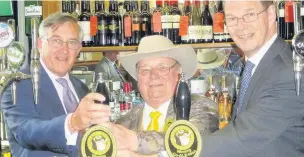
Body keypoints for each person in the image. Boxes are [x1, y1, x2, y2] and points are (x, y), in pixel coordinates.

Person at [200, 1, 304, 156]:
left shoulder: (288, 73)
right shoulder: (256, 65)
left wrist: (175, 148)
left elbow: (241, 138)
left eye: (249, 15)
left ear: (270, 14)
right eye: (232, 18)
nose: (241, 26)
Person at [0, 12, 110, 157]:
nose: (64, 50)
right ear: (40, 44)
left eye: (71, 42)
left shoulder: (81, 88)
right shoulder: (19, 84)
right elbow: (26, 131)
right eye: (56, 41)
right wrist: (71, 123)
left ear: (78, 49)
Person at [103, 35, 219, 156]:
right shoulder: (125, 121)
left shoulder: (202, 107)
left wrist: (133, 141)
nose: (153, 75)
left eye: (162, 68)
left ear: (179, 74)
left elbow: (189, 141)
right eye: (145, 70)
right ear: (137, 79)